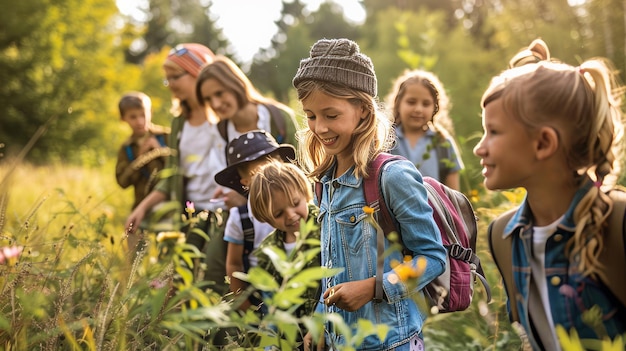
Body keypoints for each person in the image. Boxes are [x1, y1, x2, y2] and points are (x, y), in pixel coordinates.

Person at [292, 38, 447, 350]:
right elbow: (334, 269)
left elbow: (432, 257)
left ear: (362, 111)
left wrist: (375, 287)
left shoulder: (391, 177)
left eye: (330, 115)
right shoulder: (325, 181)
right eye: (310, 115)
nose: (319, 127)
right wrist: (322, 318)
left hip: (392, 343)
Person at [474, 39, 626, 350]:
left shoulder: (618, 221)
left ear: (543, 143)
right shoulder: (503, 237)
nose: (480, 147)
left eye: (495, 132)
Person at [124, 43, 238, 296]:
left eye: (176, 76)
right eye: (168, 79)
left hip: (224, 213)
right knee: (182, 280)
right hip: (190, 213)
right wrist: (141, 207)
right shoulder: (179, 123)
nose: (171, 83)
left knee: (215, 281)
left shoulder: (226, 116)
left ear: (198, 72)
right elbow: (174, 175)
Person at [214, 130, 296, 313]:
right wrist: (247, 310)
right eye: (259, 173)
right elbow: (234, 264)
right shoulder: (241, 218)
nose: (270, 177)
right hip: (264, 292)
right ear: (245, 181)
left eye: (274, 166)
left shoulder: (300, 206)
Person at [248, 159, 322, 351]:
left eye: (295, 203)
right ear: (267, 219)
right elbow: (272, 308)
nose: (290, 215)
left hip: (328, 330)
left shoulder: (325, 226)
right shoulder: (268, 251)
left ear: (305, 193)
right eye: (279, 213)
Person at [386, 69, 464, 190]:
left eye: (426, 104)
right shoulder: (384, 140)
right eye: (411, 102)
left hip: (433, 208)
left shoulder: (443, 143)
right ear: (398, 103)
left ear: (435, 107)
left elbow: (453, 195)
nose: (418, 109)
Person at [115, 91, 170, 250]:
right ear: (123, 119)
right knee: (134, 253)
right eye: (133, 117)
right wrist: (138, 159)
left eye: (143, 115)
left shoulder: (166, 136)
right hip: (140, 207)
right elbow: (122, 182)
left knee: (168, 256)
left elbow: (180, 167)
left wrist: (160, 151)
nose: (140, 121)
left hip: (168, 206)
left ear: (150, 113)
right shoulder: (126, 148)